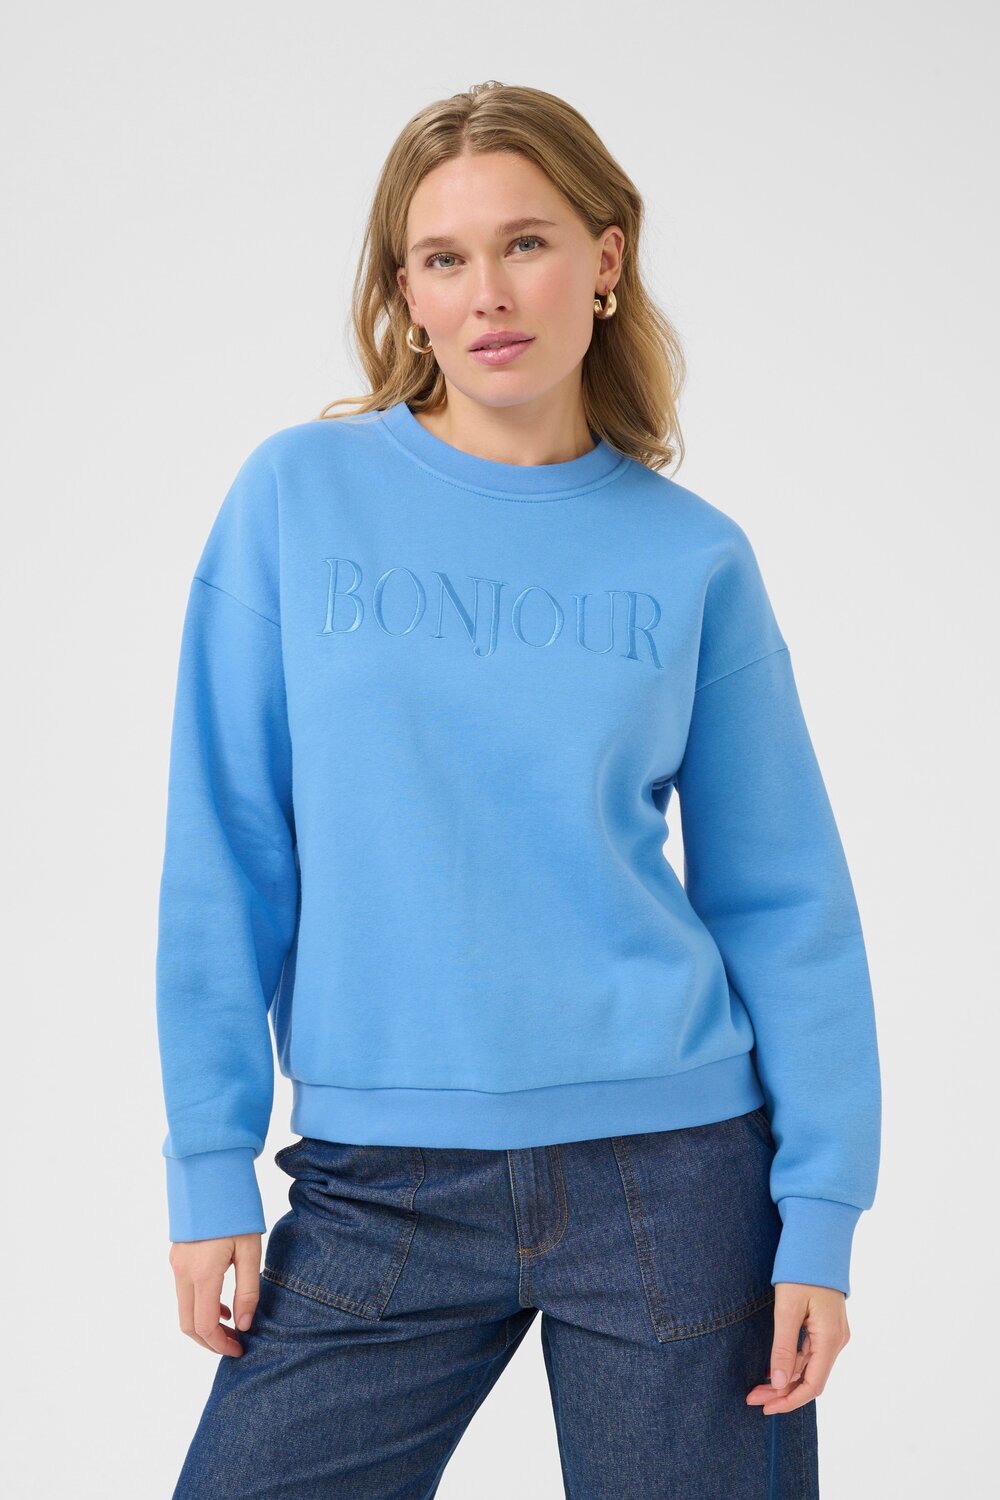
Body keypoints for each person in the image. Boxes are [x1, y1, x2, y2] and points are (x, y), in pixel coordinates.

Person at [156, 79, 881, 1498]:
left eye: (526, 243)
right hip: (380, 1178)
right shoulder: (297, 498)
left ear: (606, 259)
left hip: (674, 1175)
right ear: (406, 295)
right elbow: (226, 848)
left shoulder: (692, 556)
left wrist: (822, 1214)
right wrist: (207, 1163)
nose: (487, 292)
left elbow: (786, 899)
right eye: (443, 258)